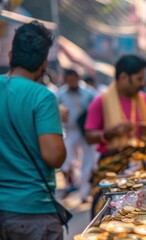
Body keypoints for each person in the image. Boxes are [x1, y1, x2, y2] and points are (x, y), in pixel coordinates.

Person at [0, 21, 66, 239]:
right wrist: (59, 122)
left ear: (11, 55)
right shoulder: (43, 97)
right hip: (33, 213)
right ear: (44, 63)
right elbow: (54, 156)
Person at [85, 55, 146, 217]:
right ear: (124, 77)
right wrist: (111, 133)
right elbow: (89, 135)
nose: (143, 83)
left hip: (141, 166)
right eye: (139, 79)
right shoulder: (100, 101)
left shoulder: (143, 99)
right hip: (111, 166)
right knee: (105, 209)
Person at [57, 69, 97, 202]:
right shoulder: (60, 94)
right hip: (70, 131)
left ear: (78, 78)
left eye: (73, 79)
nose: (71, 82)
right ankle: (70, 184)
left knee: (88, 162)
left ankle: (84, 193)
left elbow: (96, 110)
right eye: (69, 80)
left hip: (86, 132)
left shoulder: (89, 93)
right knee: (66, 161)